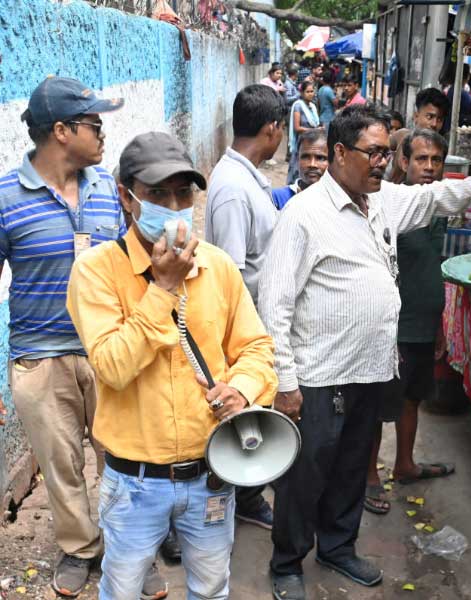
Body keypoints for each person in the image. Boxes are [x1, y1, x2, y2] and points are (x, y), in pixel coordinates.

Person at [258, 104, 471, 600]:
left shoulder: (384, 201)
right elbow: (275, 304)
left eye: (387, 152)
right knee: (307, 473)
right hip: (319, 375)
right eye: (373, 152)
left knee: (351, 466)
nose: (382, 162)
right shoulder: (303, 216)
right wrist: (286, 382)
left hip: (371, 367)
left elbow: (435, 196)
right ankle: (287, 562)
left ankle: (338, 548)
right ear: (340, 153)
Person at [66, 131, 277, 600]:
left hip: (211, 476)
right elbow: (113, 366)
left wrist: (241, 388)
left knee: (211, 587)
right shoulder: (96, 271)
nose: (174, 204)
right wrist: (161, 289)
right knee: (121, 590)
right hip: (135, 485)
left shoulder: (217, 267)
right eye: (157, 193)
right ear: (126, 197)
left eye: (184, 193)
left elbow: (257, 349)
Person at [0, 76, 156, 599]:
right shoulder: (6, 198)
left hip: (107, 352)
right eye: (94, 124)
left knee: (123, 456)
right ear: (61, 131)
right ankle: (79, 548)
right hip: (39, 360)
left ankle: (130, 545)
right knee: (61, 463)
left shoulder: (108, 192)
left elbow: (128, 268)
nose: (103, 133)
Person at [364, 129, 454, 515]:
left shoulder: (437, 208)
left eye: (436, 161)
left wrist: (438, 323)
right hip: (392, 327)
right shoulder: (389, 207)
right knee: (379, 404)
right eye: (421, 159)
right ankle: (368, 476)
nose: (429, 168)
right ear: (404, 162)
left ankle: (405, 465)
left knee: (412, 398)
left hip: (424, 322)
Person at [206, 84, 283, 307]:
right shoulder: (234, 189)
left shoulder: (244, 178)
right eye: (282, 129)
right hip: (249, 326)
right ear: (271, 128)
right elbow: (230, 277)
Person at [388, 87, 451, 183]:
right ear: (416, 116)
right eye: (429, 117)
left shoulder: (439, 148)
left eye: (439, 119)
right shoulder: (403, 136)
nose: (434, 124)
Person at [272, 130, 330, 209]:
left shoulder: (338, 201)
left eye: (320, 158)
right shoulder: (277, 198)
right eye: (305, 157)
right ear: (297, 159)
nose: (312, 164)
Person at [287, 81, 322, 185]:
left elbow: (316, 123)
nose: (311, 94)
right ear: (302, 93)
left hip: (312, 142)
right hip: (301, 142)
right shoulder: (298, 106)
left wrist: (318, 129)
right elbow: (297, 127)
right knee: (298, 168)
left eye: (312, 91)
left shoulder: (312, 106)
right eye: (308, 91)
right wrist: (314, 130)